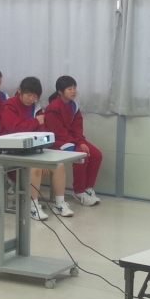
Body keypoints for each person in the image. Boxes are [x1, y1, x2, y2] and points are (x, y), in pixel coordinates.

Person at [0, 76, 72, 220]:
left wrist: (43, 157)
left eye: (35, 96)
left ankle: (59, 203)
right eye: (28, 95)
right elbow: (15, 129)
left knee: (59, 165)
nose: (31, 99)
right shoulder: (9, 105)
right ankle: (32, 205)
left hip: (31, 150)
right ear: (19, 91)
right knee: (35, 168)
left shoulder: (36, 108)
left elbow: (41, 133)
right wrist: (35, 121)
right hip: (10, 151)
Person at [46, 76, 102, 206]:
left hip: (71, 140)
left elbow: (77, 128)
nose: (73, 91)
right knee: (82, 156)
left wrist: (80, 141)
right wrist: (78, 143)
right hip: (57, 142)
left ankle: (88, 188)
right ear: (60, 91)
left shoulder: (74, 106)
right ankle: (79, 191)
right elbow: (58, 132)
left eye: (74, 88)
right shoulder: (53, 107)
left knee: (96, 155)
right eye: (69, 89)